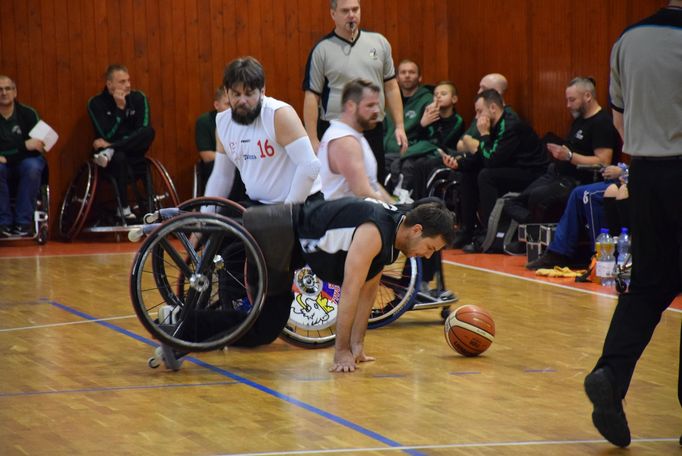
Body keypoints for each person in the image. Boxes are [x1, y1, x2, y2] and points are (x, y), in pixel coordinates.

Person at [162, 197, 456, 373]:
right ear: (417, 230)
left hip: (290, 246)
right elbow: (350, 293)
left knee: (265, 329)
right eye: (429, 247)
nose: (427, 255)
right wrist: (340, 351)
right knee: (262, 325)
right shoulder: (375, 232)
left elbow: (368, 293)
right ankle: (183, 327)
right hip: (277, 232)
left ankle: (182, 323)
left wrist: (358, 346)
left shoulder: (394, 233)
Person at [584, 2, 682, 448]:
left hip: (644, 172)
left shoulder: (628, 39)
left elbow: (619, 121)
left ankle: (611, 372)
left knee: (647, 285)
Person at [302, 0, 407, 183]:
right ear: (333, 14)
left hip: (372, 128)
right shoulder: (322, 50)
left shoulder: (379, 43)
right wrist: (311, 138)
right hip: (335, 130)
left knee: (374, 183)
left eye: (355, 9)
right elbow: (312, 95)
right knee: (340, 186)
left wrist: (399, 125)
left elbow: (391, 86)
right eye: (345, 11)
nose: (351, 14)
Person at [203, 56, 322, 206]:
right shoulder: (222, 122)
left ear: (263, 91)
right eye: (236, 94)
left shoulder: (279, 114)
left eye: (249, 93)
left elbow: (310, 166)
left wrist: (286, 213)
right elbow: (222, 176)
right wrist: (203, 218)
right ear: (226, 92)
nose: (242, 101)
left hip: (301, 202)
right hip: (259, 205)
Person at [442, 89, 548, 252]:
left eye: (479, 111)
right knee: (468, 174)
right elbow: (482, 157)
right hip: (510, 168)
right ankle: (467, 230)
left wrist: (483, 135)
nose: (477, 117)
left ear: (492, 108)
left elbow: (491, 160)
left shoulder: (511, 125)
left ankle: (489, 234)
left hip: (532, 173)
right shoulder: (495, 123)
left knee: (487, 176)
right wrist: (459, 164)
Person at [505, 77, 619, 225]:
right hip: (556, 174)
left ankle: (535, 234)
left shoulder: (601, 122)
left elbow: (603, 161)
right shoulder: (580, 119)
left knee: (536, 198)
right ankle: (532, 230)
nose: (568, 105)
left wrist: (570, 156)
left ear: (588, 96)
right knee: (512, 202)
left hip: (577, 180)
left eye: (572, 100)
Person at [525, 164, 627, 270]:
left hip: (631, 180)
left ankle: (598, 256)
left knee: (590, 194)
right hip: (622, 177)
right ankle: (559, 253)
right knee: (577, 193)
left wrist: (622, 172)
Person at [87, 64, 155, 221]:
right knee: (119, 156)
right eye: (122, 82)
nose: (128, 85)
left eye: (128, 80)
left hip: (132, 152)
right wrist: (119, 110)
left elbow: (143, 128)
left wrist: (111, 145)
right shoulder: (96, 103)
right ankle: (123, 208)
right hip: (110, 161)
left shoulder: (139, 98)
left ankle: (112, 149)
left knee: (148, 132)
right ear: (109, 84)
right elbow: (105, 133)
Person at [318, 78, 393, 203]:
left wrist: (397, 207)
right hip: (343, 219)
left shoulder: (352, 134)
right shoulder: (344, 141)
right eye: (370, 105)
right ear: (351, 106)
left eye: (377, 104)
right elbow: (362, 192)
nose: (377, 111)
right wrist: (396, 213)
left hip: (357, 213)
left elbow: (372, 185)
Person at [0, 75, 47, 237]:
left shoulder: (28, 114)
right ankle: (3, 223)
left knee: (33, 166)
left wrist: (8, 155)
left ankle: (23, 222)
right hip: (3, 166)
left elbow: (37, 147)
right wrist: (24, 146)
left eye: (8, 89)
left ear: (15, 92)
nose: (4, 93)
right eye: (0, 90)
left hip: (25, 162)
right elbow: (28, 145)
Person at [383, 59, 433, 179]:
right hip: (386, 153)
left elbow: (430, 136)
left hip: (410, 155)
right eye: (403, 72)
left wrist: (408, 152)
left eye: (411, 72)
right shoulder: (391, 103)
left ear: (420, 77)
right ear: (397, 79)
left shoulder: (428, 101)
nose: (407, 75)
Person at [194, 87, 246, 200]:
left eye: (233, 104)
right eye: (227, 104)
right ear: (216, 105)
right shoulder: (205, 121)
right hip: (215, 165)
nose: (231, 108)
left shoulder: (242, 119)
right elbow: (206, 156)